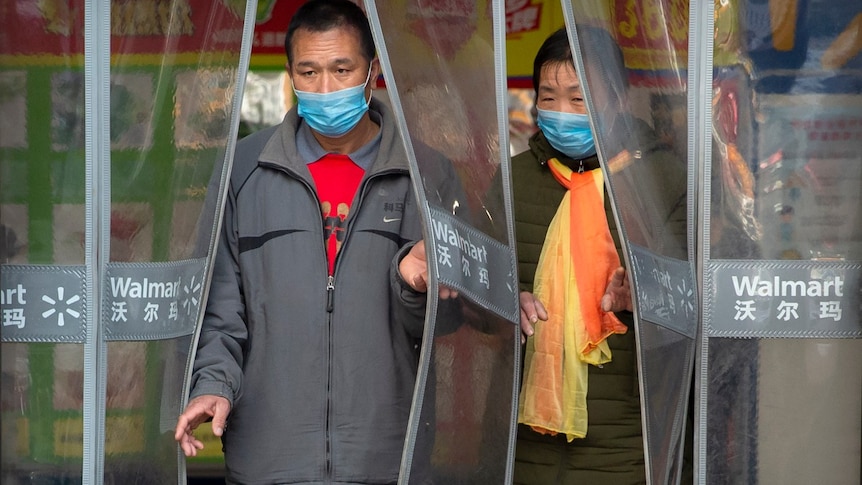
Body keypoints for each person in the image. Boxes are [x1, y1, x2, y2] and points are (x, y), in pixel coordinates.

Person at [174, 1, 454, 483]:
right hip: (268, 459)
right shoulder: (245, 170)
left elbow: (450, 325)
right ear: (290, 74)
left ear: (373, 71)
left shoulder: (426, 174)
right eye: (309, 72)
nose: (325, 88)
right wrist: (212, 385)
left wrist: (418, 286)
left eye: (342, 69)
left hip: (385, 459)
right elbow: (220, 308)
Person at [511, 26, 655, 484]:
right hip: (526, 446)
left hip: (625, 444)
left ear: (618, 99)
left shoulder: (657, 181)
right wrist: (502, 299)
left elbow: (700, 306)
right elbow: (472, 299)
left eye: (580, 98)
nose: (562, 112)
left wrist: (647, 295)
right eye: (548, 97)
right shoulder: (512, 182)